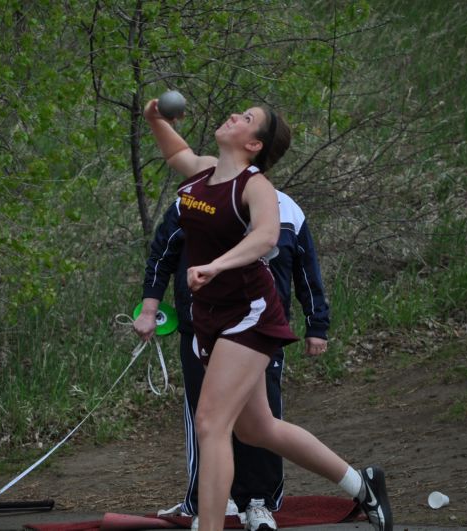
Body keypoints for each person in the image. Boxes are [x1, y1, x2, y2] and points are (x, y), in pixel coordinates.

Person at [141, 98, 393, 531]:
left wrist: (217, 264)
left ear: (254, 144)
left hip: (249, 314)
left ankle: (211, 524)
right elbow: (175, 154)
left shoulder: (255, 187)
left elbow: (265, 237)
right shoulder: (204, 171)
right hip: (209, 317)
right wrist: (154, 118)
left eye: (246, 118)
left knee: (211, 421)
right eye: (238, 112)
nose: (234, 115)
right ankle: (363, 487)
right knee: (258, 428)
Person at [134, 187, 330, 531]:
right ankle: (207, 504)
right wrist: (149, 309)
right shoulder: (191, 202)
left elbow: (306, 269)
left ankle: (258, 502)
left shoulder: (286, 210)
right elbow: (161, 255)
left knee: (261, 419)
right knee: (206, 418)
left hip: (260, 330)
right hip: (201, 328)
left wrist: (318, 324)